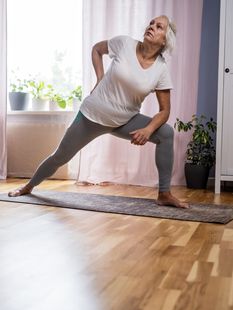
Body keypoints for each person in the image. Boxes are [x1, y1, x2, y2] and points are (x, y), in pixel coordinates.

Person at [8, 15, 188, 209]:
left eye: (159, 26)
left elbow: (164, 111)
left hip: (124, 121)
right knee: (60, 156)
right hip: (92, 116)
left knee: (166, 133)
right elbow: (97, 49)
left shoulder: (160, 70)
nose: (151, 26)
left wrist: (148, 129)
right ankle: (29, 186)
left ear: (165, 40)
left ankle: (164, 193)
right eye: (151, 23)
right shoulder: (124, 43)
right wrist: (100, 78)